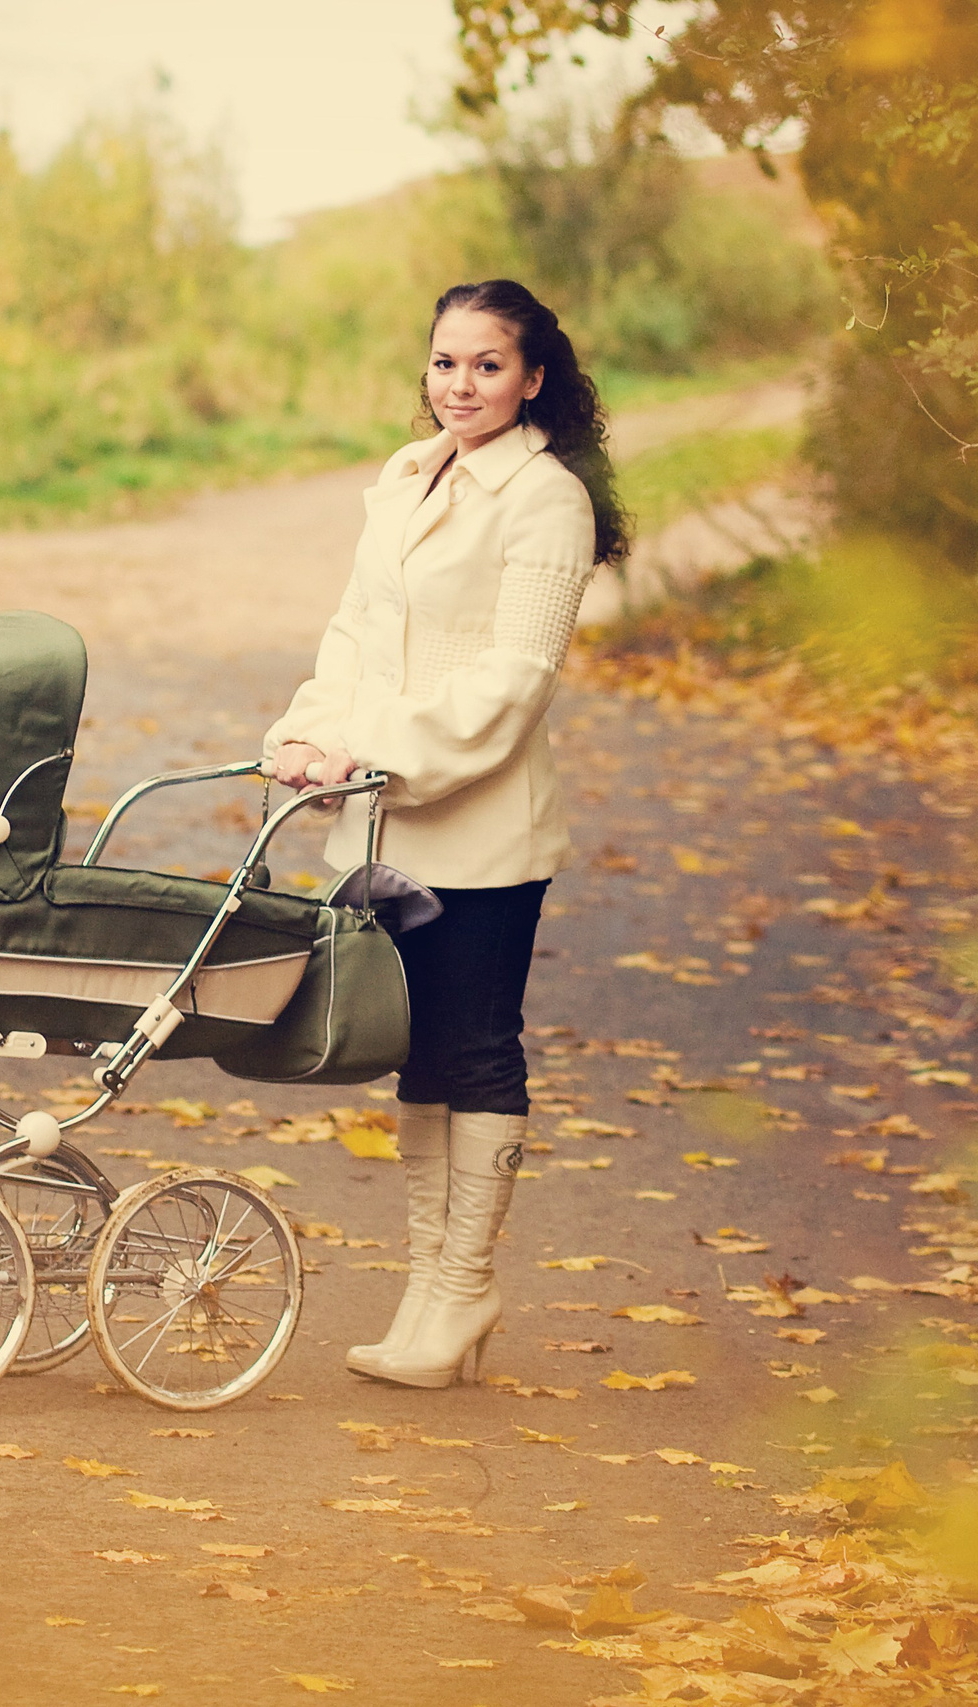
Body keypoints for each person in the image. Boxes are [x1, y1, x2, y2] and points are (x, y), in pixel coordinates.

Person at [265, 279, 630, 1388]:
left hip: (477, 829)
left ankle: (464, 1286)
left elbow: (514, 682)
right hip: (381, 825)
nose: (459, 385)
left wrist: (376, 752)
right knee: (412, 1053)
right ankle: (430, 1292)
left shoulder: (546, 499)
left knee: (471, 1048)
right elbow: (356, 633)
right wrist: (306, 735)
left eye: (485, 365)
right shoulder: (407, 476)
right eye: (443, 363)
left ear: (532, 379)